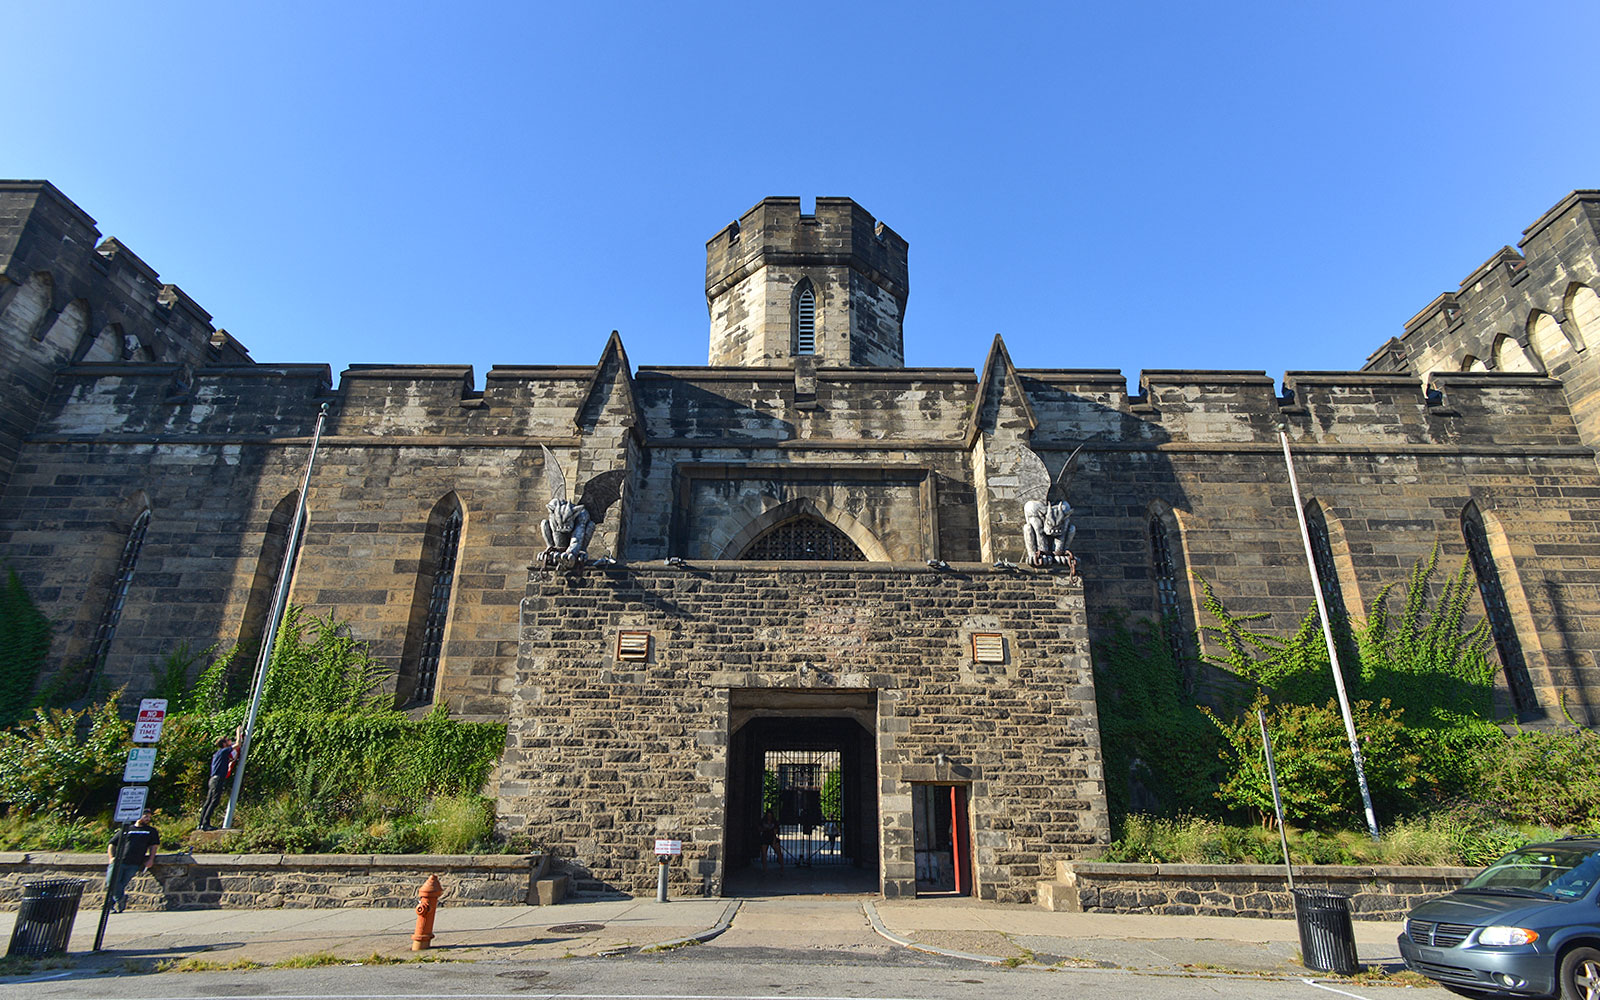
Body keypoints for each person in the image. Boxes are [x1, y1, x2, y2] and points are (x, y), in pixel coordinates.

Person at [108, 811, 160, 912]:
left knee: (121, 884)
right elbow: (112, 844)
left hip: (134, 863)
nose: (148, 819)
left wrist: (151, 859)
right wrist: (111, 857)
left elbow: (154, 847)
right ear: (138, 816)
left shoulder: (151, 831)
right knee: (111, 881)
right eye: (145, 816)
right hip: (119, 861)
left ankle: (111, 906)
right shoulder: (127, 829)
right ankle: (120, 899)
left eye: (149, 817)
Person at [196, 735, 234, 830]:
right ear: (224, 744)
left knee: (209, 801)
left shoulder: (217, 753)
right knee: (214, 801)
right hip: (217, 779)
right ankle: (205, 824)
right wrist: (238, 733)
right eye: (228, 740)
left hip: (213, 779)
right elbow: (237, 744)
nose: (230, 741)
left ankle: (201, 824)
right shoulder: (224, 751)